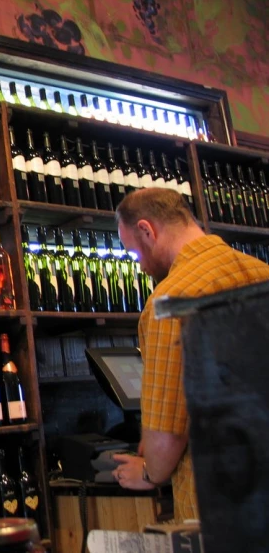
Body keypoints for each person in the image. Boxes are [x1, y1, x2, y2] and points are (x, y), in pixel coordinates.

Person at [110, 188, 269, 522]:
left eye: (134, 253)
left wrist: (149, 472)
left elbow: (169, 435)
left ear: (146, 230)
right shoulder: (262, 274)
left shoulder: (170, 302)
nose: (140, 266)